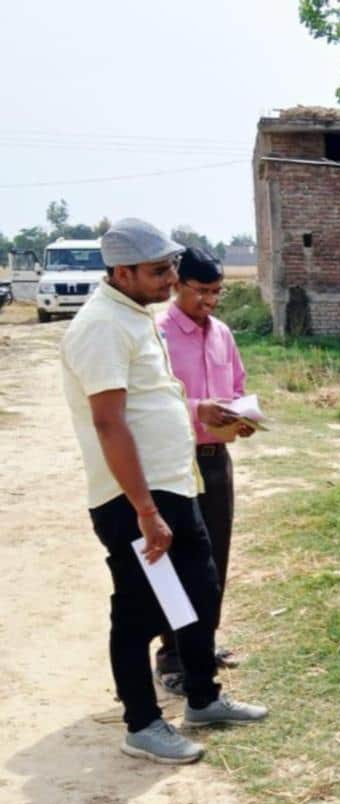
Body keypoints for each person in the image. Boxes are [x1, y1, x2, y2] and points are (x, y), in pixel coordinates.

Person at [60, 218, 268, 766]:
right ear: (120, 271)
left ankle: (203, 697)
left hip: (176, 483)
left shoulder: (134, 316)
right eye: (158, 270)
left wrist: (198, 409)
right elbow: (109, 423)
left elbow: (152, 397)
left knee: (201, 591)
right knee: (138, 609)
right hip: (133, 497)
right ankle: (142, 723)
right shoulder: (102, 326)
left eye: (171, 266)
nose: (170, 278)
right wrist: (146, 510)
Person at [153, 246, 251, 692]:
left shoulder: (222, 334)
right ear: (177, 284)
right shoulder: (157, 335)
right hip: (175, 462)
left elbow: (237, 387)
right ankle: (173, 655)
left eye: (218, 292)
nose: (210, 301)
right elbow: (152, 403)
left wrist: (243, 417)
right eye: (202, 291)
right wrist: (199, 410)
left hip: (217, 461)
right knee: (176, 562)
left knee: (214, 559)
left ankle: (203, 644)